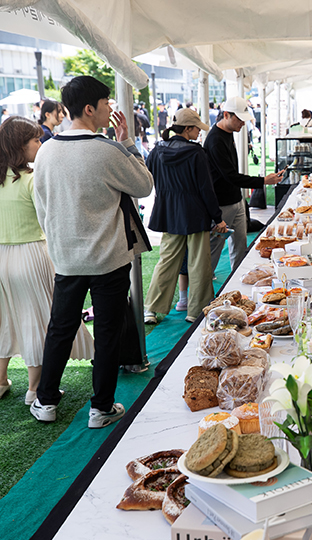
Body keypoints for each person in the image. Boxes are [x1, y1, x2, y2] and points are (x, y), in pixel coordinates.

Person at [31, 75, 153, 428]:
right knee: (108, 332)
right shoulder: (106, 149)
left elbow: (42, 206)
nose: (111, 109)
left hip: (67, 257)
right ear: (89, 108)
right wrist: (127, 140)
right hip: (108, 259)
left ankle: (46, 400)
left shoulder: (47, 150)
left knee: (60, 329)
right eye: (106, 103)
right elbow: (144, 185)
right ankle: (101, 408)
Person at [0, 117, 93, 404]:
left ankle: (1, 381)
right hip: (32, 254)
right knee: (39, 321)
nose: (40, 144)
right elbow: (48, 220)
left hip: (2, 255)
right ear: (21, 145)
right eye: (35, 140)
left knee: (5, 320)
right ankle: (35, 389)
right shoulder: (30, 180)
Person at [143, 108, 226, 325]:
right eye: (197, 128)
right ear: (188, 128)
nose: (199, 132)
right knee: (199, 263)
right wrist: (218, 218)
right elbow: (206, 189)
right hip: (195, 213)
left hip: (169, 213)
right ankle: (196, 310)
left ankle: (151, 309)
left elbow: (148, 178)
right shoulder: (196, 153)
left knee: (166, 262)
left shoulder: (157, 150)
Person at [204, 96, 283, 272]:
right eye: (239, 119)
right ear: (226, 115)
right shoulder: (215, 140)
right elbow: (230, 176)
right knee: (214, 250)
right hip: (222, 203)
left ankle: (239, 280)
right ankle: (204, 290)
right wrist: (263, 180)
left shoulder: (228, 133)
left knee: (240, 246)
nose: (242, 124)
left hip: (236, 200)